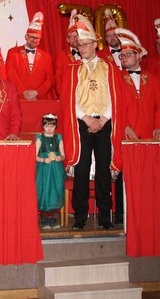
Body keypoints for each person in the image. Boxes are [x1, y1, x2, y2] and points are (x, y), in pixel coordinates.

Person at [60, 15, 125, 231]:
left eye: (85, 44)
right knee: (82, 169)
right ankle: (80, 217)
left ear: (95, 44)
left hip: (105, 123)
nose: (81, 48)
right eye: (79, 45)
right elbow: (69, 100)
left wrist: (104, 119)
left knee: (104, 172)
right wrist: (86, 118)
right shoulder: (72, 69)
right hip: (82, 123)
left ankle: (105, 216)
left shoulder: (109, 68)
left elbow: (116, 97)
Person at [115, 28, 160, 225]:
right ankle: (121, 213)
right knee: (124, 174)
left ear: (139, 56)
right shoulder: (116, 78)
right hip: (125, 134)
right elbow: (113, 106)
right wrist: (124, 126)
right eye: (122, 55)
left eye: (129, 54)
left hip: (148, 134)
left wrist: (159, 126)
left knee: (148, 175)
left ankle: (147, 210)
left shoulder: (153, 79)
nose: (124, 57)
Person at [6, 12, 55, 101]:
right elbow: (10, 74)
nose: (34, 40)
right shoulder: (13, 53)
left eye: (37, 38)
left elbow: (49, 80)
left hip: (39, 100)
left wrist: (37, 92)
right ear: (26, 36)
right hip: (18, 99)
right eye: (32, 37)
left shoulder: (46, 57)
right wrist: (23, 92)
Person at [35, 114, 65, 229]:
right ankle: (44, 218)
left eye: (52, 126)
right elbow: (34, 156)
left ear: (55, 127)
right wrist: (43, 160)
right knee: (43, 190)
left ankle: (52, 217)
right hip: (44, 169)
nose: (49, 128)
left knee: (55, 190)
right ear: (43, 126)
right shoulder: (40, 138)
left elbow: (63, 155)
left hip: (56, 169)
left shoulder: (58, 138)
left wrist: (60, 158)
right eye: (47, 126)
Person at [54, 10, 82, 98]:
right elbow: (58, 79)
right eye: (72, 37)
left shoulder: (87, 53)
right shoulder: (62, 55)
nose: (75, 39)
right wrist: (63, 95)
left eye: (77, 36)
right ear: (67, 39)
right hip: (68, 95)